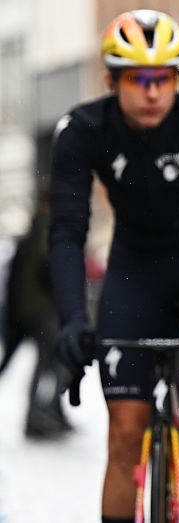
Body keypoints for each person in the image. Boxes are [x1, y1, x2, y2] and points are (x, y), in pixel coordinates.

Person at [49, 9, 179, 523]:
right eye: (138, 79)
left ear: (177, 80)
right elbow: (67, 233)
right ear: (111, 81)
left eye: (163, 78)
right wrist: (74, 320)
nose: (152, 92)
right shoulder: (81, 131)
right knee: (124, 433)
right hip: (134, 270)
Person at [1, 180, 74, 439]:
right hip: (43, 311)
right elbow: (48, 268)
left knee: (52, 365)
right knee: (51, 365)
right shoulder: (48, 229)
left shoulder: (37, 228)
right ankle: (38, 416)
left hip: (34, 310)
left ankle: (48, 413)